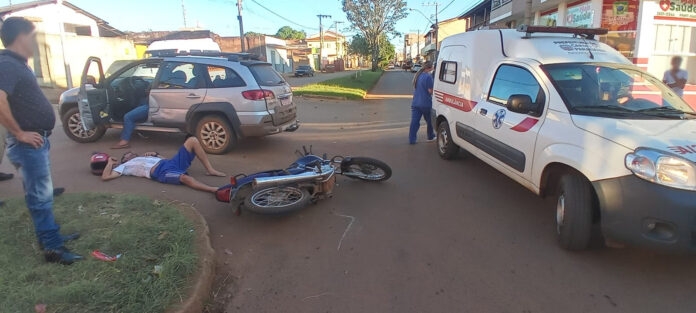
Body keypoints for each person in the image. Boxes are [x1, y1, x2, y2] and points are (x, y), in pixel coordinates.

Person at [0, 17, 81, 264]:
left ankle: (50, 237)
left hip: (35, 141)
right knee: (40, 196)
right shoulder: (7, 64)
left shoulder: (17, 64)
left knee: (40, 194)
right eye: (33, 36)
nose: (36, 42)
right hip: (27, 142)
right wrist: (19, 133)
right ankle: (53, 248)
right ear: (21, 37)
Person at [101, 137, 226, 193]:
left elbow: (166, 159)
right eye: (127, 155)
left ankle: (210, 169)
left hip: (170, 163)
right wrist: (109, 163)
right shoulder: (124, 166)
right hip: (161, 172)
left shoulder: (145, 156)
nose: (130, 154)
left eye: (131, 153)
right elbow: (106, 177)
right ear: (124, 160)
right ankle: (214, 190)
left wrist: (156, 154)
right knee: (185, 178)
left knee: (192, 140)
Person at [409, 61, 436, 145]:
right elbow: (430, 91)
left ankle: (412, 139)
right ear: (430, 68)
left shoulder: (418, 75)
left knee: (414, 122)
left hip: (416, 102)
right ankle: (430, 136)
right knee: (430, 121)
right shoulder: (428, 77)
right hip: (426, 103)